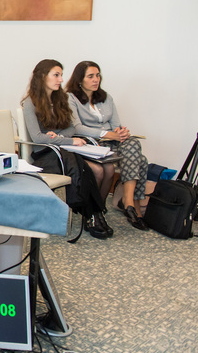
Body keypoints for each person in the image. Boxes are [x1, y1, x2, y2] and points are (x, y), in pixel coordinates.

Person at [21, 59, 112, 239]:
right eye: (56, 75)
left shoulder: (61, 98)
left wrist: (60, 138)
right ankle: (92, 214)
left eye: (61, 75)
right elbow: (38, 137)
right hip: (45, 153)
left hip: (63, 149)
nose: (61, 79)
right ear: (42, 77)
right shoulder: (30, 103)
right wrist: (66, 141)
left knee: (94, 168)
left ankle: (92, 214)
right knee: (90, 168)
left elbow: (71, 128)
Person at [67, 61, 150, 231]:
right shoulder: (71, 98)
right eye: (91, 76)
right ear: (80, 79)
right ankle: (130, 206)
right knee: (141, 160)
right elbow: (76, 127)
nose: (96, 79)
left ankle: (127, 201)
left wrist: (121, 132)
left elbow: (116, 125)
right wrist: (106, 134)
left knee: (133, 142)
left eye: (98, 75)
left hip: (111, 142)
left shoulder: (106, 97)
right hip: (90, 142)